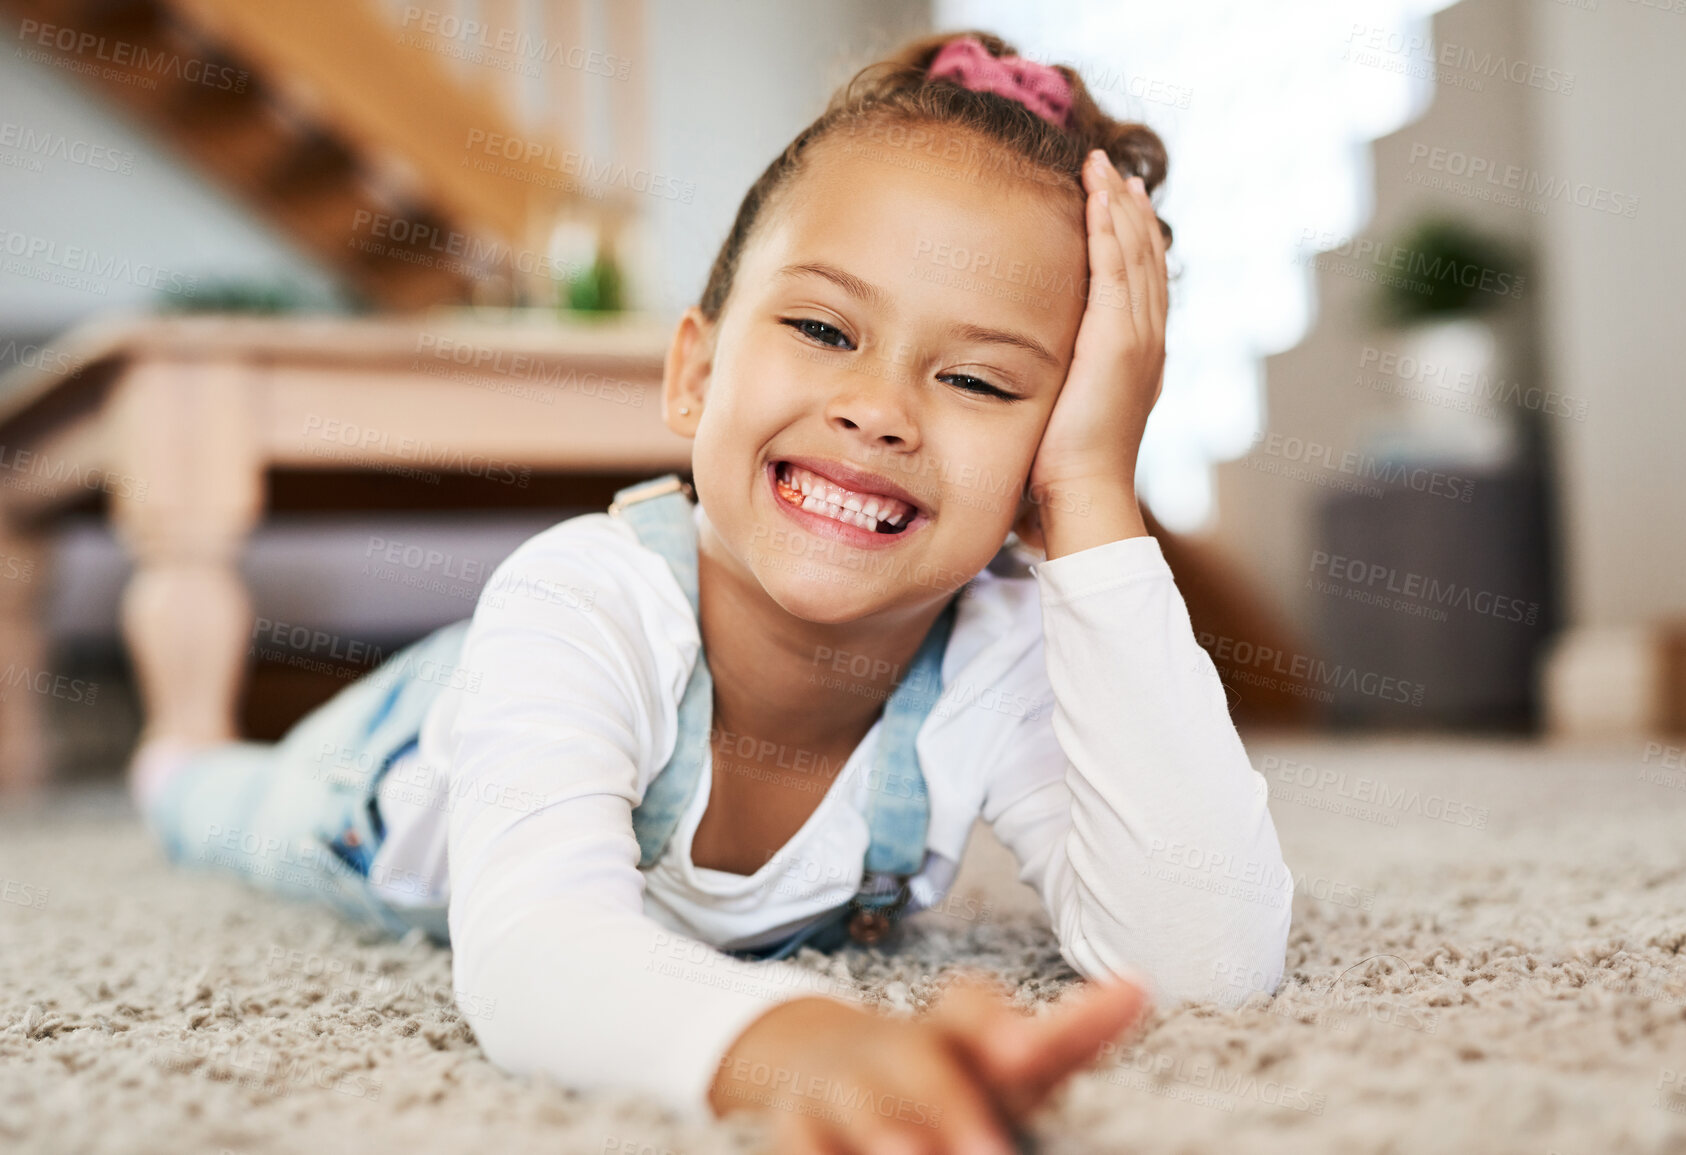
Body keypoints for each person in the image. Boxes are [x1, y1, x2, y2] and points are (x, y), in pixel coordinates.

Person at [130, 30, 1293, 1155]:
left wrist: (1094, 492)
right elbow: (536, 951)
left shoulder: (1001, 650)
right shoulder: (582, 598)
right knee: (216, 807)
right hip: (379, 778)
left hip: (549, 675)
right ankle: (179, 748)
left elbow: (1208, 959)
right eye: (823, 327)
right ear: (694, 373)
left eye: (982, 380)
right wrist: (813, 1053)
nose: (879, 408)